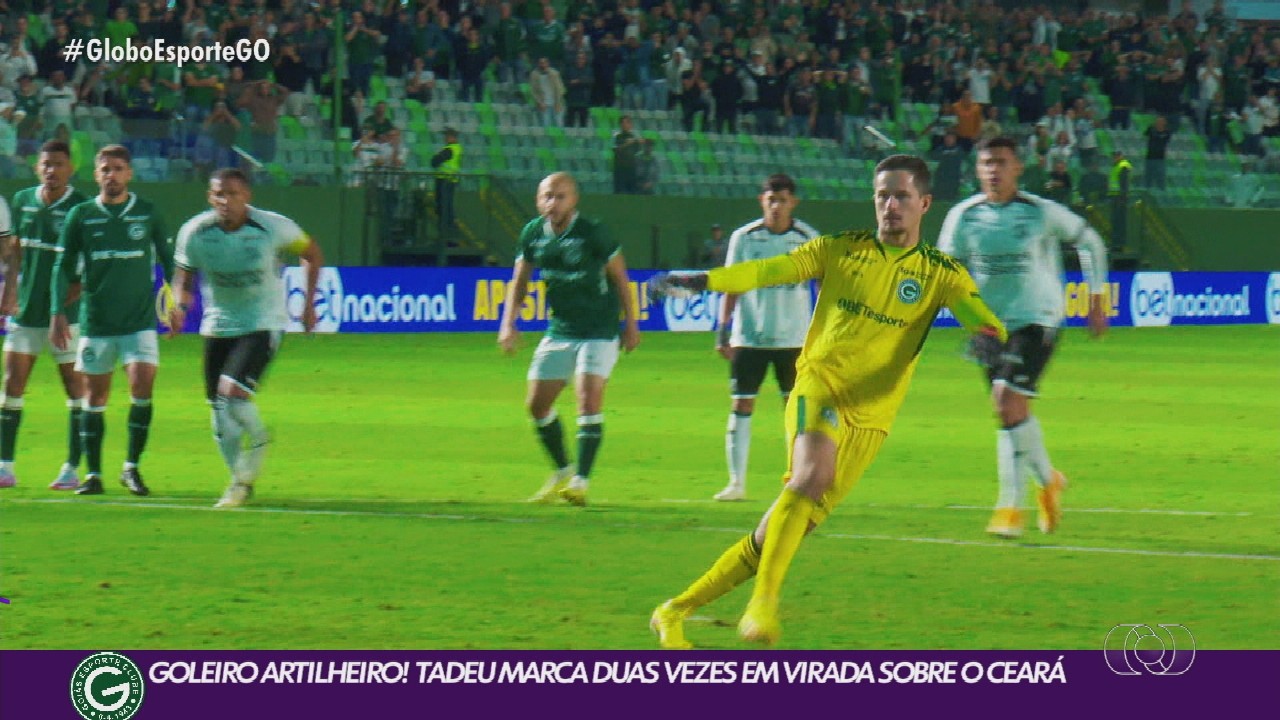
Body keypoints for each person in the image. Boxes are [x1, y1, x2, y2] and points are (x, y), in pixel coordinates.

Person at [647, 155, 1007, 648]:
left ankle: (674, 610)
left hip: (873, 418)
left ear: (924, 203)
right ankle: (763, 606)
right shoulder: (841, 249)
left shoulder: (939, 272)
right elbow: (769, 270)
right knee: (810, 476)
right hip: (819, 386)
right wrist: (703, 281)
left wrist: (988, 337)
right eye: (882, 195)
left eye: (901, 196)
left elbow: (982, 317)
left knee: (776, 532)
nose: (890, 206)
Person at [937, 137, 1108, 540]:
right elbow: (945, 268)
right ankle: (1048, 480)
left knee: (1004, 400)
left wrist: (1096, 299)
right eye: (986, 164)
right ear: (977, 171)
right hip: (989, 326)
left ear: (1018, 168)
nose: (993, 170)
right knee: (1009, 411)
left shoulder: (1040, 212)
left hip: (1038, 318)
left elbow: (1090, 241)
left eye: (1001, 162)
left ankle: (1008, 508)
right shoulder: (964, 216)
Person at [168, 168, 323, 508]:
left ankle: (261, 441)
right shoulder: (195, 232)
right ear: (210, 197)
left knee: (233, 394)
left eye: (233, 194)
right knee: (218, 412)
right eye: (219, 194)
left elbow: (312, 252)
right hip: (218, 324)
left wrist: (308, 302)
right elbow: (184, 277)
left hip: (263, 322)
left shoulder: (273, 226)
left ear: (247, 196)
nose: (226, 201)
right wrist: (179, 305)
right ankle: (239, 480)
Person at [497, 172, 641, 507]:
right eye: (547, 195)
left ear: (573, 199)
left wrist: (631, 324)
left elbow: (620, 276)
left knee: (587, 398)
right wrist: (508, 323)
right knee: (536, 405)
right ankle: (563, 470)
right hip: (561, 330)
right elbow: (519, 280)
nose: (553, 202)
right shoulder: (533, 234)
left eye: (560, 196)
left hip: (599, 329)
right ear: (538, 199)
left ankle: (581, 481)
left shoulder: (594, 232)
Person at [49, 145, 175, 496]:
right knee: (95, 396)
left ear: (129, 173)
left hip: (139, 322)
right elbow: (62, 268)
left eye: (118, 168)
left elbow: (169, 261)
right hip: (97, 323)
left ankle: (131, 468)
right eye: (105, 169)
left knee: (142, 387)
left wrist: (175, 305)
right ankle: (94, 475)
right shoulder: (81, 215)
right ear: (96, 174)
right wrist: (58, 311)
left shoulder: (147, 213)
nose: (112, 175)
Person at [713, 174, 819, 502]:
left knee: (795, 409)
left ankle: (796, 478)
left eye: (783, 200)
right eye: (771, 199)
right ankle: (736, 483)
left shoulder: (808, 238)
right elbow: (732, 283)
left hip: (795, 339)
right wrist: (723, 329)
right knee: (742, 403)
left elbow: (825, 283)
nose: (776, 206)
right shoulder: (744, 238)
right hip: (750, 337)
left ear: (793, 203)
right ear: (762, 200)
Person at [0, 141, 90, 490]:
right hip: (26, 312)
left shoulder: (81, 207)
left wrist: (66, 304)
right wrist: (9, 291)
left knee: (74, 388)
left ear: (70, 169)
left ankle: (72, 468)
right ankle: (5, 466)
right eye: (46, 164)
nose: (52, 170)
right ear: (37, 168)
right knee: (11, 386)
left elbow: (90, 266)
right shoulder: (23, 201)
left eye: (58, 164)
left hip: (67, 317)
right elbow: (16, 253)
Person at [430, 127, 462, 238]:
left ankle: (447, 232)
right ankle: (448, 231)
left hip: (445, 180)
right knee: (446, 206)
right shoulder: (452, 148)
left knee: (444, 207)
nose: (445, 138)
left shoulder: (450, 149)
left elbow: (434, 161)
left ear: (452, 137)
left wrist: (436, 156)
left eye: (447, 136)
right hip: (447, 180)